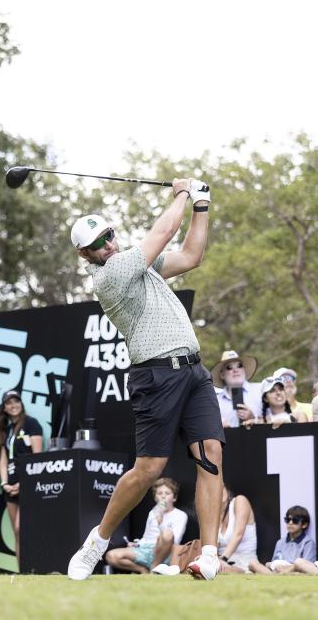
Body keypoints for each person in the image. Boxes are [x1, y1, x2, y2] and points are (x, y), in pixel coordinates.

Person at [66, 178, 226, 582]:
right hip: (155, 375)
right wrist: (185, 193)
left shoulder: (141, 266)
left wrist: (202, 206)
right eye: (99, 243)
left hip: (193, 371)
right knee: (149, 469)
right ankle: (97, 541)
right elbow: (165, 231)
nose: (109, 244)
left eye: (110, 235)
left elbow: (191, 256)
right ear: (86, 254)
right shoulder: (111, 275)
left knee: (210, 453)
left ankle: (209, 555)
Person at [0, 389, 43, 563]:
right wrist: (4, 483)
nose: (13, 405)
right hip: (10, 486)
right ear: (4, 408)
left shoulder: (32, 424)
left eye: (16, 401)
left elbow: (38, 457)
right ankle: (22, 570)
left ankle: (33, 565)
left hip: (28, 484)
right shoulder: (6, 430)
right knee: (16, 532)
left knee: (21, 529)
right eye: (9, 403)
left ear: (21, 404)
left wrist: (25, 483)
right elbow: (3, 459)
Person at [104, 477, 188, 575]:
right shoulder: (153, 512)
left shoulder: (180, 515)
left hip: (164, 552)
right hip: (145, 549)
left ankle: (154, 567)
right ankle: (144, 570)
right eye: (160, 493)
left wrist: (161, 522)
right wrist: (137, 543)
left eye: (167, 493)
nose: (163, 497)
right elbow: (147, 536)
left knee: (167, 533)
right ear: (155, 497)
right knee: (111, 556)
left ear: (174, 498)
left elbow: (174, 540)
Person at [217, 486, 261, 574]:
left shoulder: (240, 500)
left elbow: (238, 534)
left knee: (219, 569)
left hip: (246, 563)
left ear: (228, 491)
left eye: (221, 487)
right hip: (222, 563)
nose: (218, 491)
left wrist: (223, 559)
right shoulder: (213, 515)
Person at [211, 350, 259, 428]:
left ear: (244, 370)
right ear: (222, 375)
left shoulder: (260, 390)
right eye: (229, 367)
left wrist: (254, 418)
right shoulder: (215, 402)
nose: (235, 370)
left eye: (239, 366)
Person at [264, 505, 316, 573]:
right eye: (287, 520)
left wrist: (287, 568)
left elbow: (308, 567)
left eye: (295, 520)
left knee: (299, 563)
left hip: (295, 573)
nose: (290, 523)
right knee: (253, 563)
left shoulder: (308, 542)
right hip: (277, 572)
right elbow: (274, 564)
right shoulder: (280, 542)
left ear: (304, 525)